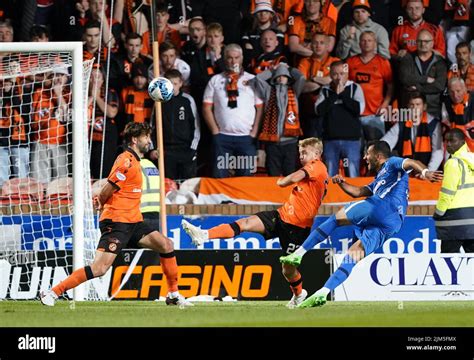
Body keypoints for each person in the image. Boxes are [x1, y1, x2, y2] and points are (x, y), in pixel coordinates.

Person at [40, 122, 192, 307]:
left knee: (166, 245)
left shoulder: (136, 161)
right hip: (117, 221)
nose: (149, 141)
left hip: (134, 220)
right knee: (99, 268)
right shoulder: (126, 160)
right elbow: (108, 188)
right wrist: (100, 202)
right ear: (135, 139)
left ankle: (173, 294)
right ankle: (53, 292)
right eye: (146, 137)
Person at [280, 140, 443, 308]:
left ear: (378, 156)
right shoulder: (381, 179)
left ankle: (298, 254)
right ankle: (324, 292)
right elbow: (358, 192)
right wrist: (342, 183)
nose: (365, 157)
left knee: (335, 219)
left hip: (382, 207)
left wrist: (425, 172)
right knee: (354, 253)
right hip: (393, 223)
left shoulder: (391, 163)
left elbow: (409, 162)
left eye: (368, 154)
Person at [182, 137, 328, 307]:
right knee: (245, 223)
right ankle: (204, 235)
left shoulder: (317, 166)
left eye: (305, 152)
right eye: (300, 152)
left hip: (297, 227)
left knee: (288, 268)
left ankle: (299, 294)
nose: (301, 155)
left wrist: (282, 181)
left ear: (317, 153)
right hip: (281, 216)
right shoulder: (314, 170)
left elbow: (293, 178)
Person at [434, 129, 474, 253]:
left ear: (462, 142)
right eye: (446, 141)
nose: (448, 144)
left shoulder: (453, 163)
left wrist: (438, 213)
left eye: (452, 140)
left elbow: (447, 193)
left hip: (453, 221)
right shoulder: (472, 159)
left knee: (448, 264)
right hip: (472, 220)